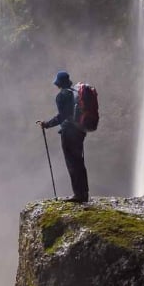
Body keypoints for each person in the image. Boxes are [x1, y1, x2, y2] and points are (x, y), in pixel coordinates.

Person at [38, 70, 89, 203]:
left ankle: (78, 195)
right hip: (80, 131)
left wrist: (47, 124)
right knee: (79, 162)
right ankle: (84, 193)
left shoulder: (62, 96)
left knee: (72, 163)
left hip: (69, 132)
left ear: (58, 83)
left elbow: (62, 116)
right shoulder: (76, 93)